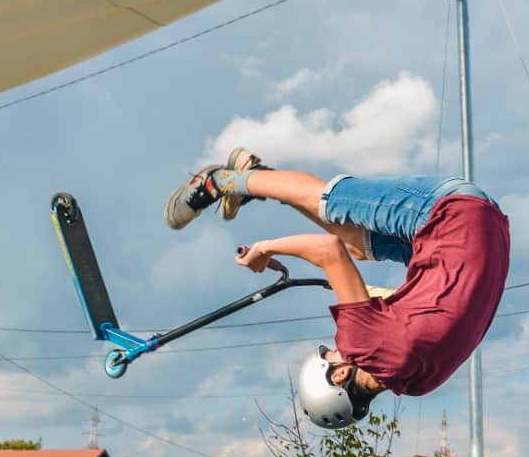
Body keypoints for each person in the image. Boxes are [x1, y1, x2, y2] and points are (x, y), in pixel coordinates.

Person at [164, 148, 510, 428]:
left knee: (360, 246)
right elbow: (329, 252)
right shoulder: (365, 346)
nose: (334, 347)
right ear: (340, 372)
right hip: (447, 211)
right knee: (332, 201)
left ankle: (264, 181)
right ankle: (220, 181)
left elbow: (425, 313)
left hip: (485, 234)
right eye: (329, 355)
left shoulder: (417, 382)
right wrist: (266, 249)